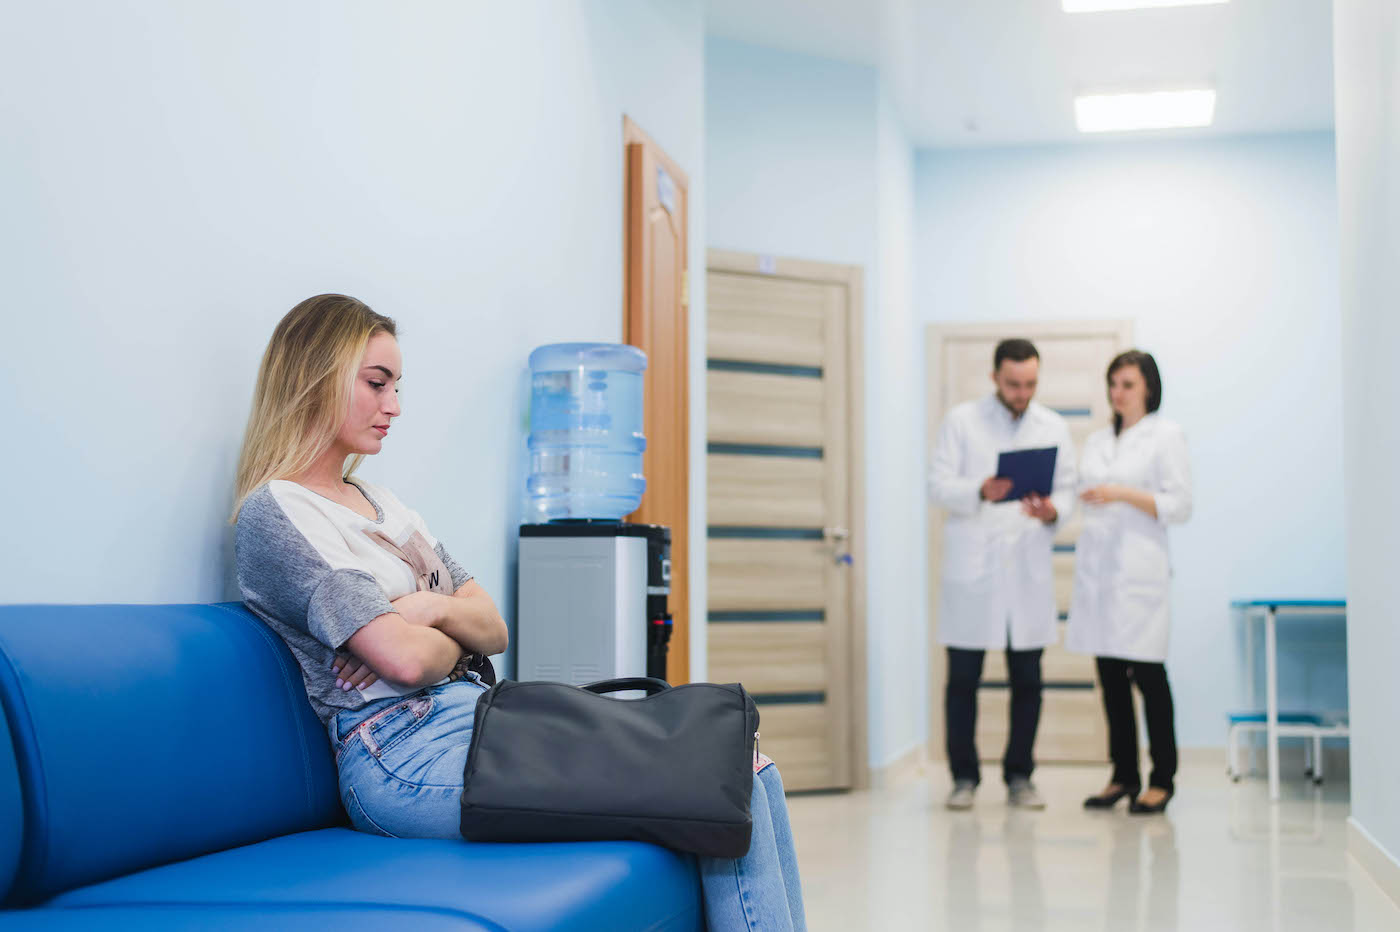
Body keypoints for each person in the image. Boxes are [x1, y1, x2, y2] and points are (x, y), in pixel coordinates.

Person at [231, 294, 807, 931]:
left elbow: (494, 627)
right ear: (314, 375)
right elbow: (405, 657)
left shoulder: (383, 503)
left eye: (396, 385)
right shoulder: (280, 513)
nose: (394, 406)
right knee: (722, 777)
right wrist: (445, 622)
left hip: (481, 717)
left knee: (748, 763)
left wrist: (420, 607)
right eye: (377, 384)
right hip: (401, 755)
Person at [928, 338, 1076, 811]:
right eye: (1013, 383)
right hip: (974, 569)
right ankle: (963, 778)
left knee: (1028, 680)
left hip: (1026, 568)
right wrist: (980, 489)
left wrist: (1052, 510)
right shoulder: (961, 421)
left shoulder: (1052, 425)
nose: (1021, 392)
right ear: (995, 378)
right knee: (963, 681)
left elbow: (1069, 488)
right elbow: (938, 485)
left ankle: (1019, 776)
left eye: (1030, 383)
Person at [1067, 350, 1192, 815]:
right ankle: (1122, 775)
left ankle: (1162, 779)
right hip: (1100, 575)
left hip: (1140, 577)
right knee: (1111, 681)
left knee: (1149, 678)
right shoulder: (1099, 440)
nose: (1118, 393)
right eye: (1113, 384)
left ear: (1149, 389)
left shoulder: (1166, 435)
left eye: (1128, 385)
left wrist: (1121, 493)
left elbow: (1180, 505)